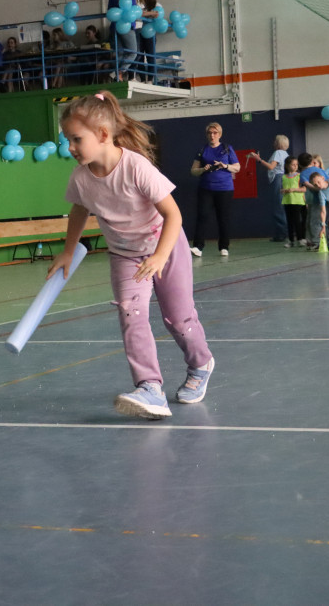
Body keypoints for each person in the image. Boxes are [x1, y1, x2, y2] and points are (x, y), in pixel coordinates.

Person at [48, 91, 214, 420]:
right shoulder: (81, 178)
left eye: (76, 139)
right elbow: (78, 211)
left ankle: (200, 363)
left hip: (165, 246)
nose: (70, 147)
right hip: (125, 256)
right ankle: (150, 388)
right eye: (67, 140)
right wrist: (69, 251)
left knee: (178, 319)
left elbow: (174, 216)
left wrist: (160, 256)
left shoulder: (135, 167)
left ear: (103, 135)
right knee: (131, 315)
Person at [189, 122, 239, 257]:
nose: (212, 135)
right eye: (210, 133)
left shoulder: (227, 148)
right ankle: (198, 247)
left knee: (223, 218)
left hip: (225, 189)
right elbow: (193, 171)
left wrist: (225, 165)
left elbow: (237, 167)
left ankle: (224, 247)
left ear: (220, 134)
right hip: (206, 189)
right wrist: (202, 169)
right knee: (202, 216)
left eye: (215, 133)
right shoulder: (202, 150)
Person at [248, 134, 290, 241]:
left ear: (278, 143)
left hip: (278, 180)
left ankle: (281, 234)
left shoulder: (277, 153)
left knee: (278, 207)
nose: (274, 143)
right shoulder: (286, 154)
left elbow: (271, 167)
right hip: (284, 179)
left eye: (275, 141)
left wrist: (259, 159)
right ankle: (284, 232)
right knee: (282, 207)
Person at [107, 0, 138, 82]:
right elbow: (133, 8)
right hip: (127, 25)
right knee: (133, 52)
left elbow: (109, 10)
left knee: (119, 53)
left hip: (114, 26)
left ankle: (117, 76)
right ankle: (118, 72)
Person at [297, 152, 328, 250]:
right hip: (313, 201)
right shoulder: (319, 170)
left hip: (316, 201)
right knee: (310, 220)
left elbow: (311, 186)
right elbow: (327, 181)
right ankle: (310, 241)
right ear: (312, 161)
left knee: (314, 222)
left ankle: (317, 242)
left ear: (300, 164)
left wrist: (316, 188)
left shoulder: (302, 174)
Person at [137, 0, 162, 83]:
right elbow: (139, 14)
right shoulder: (140, 5)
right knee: (139, 57)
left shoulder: (156, 5)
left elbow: (158, 14)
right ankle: (143, 79)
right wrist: (149, 14)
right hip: (139, 32)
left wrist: (147, 14)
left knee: (151, 56)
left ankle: (150, 79)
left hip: (150, 34)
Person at [280, 156, 305, 248]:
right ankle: (290, 240)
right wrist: (283, 191)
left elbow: (304, 188)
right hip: (287, 201)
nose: (295, 166)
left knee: (297, 221)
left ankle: (300, 239)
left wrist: (294, 189)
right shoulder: (283, 177)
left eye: (296, 164)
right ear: (287, 166)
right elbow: (281, 189)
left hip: (297, 201)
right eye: (293, 164)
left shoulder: (299, 176)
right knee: (289, 221)